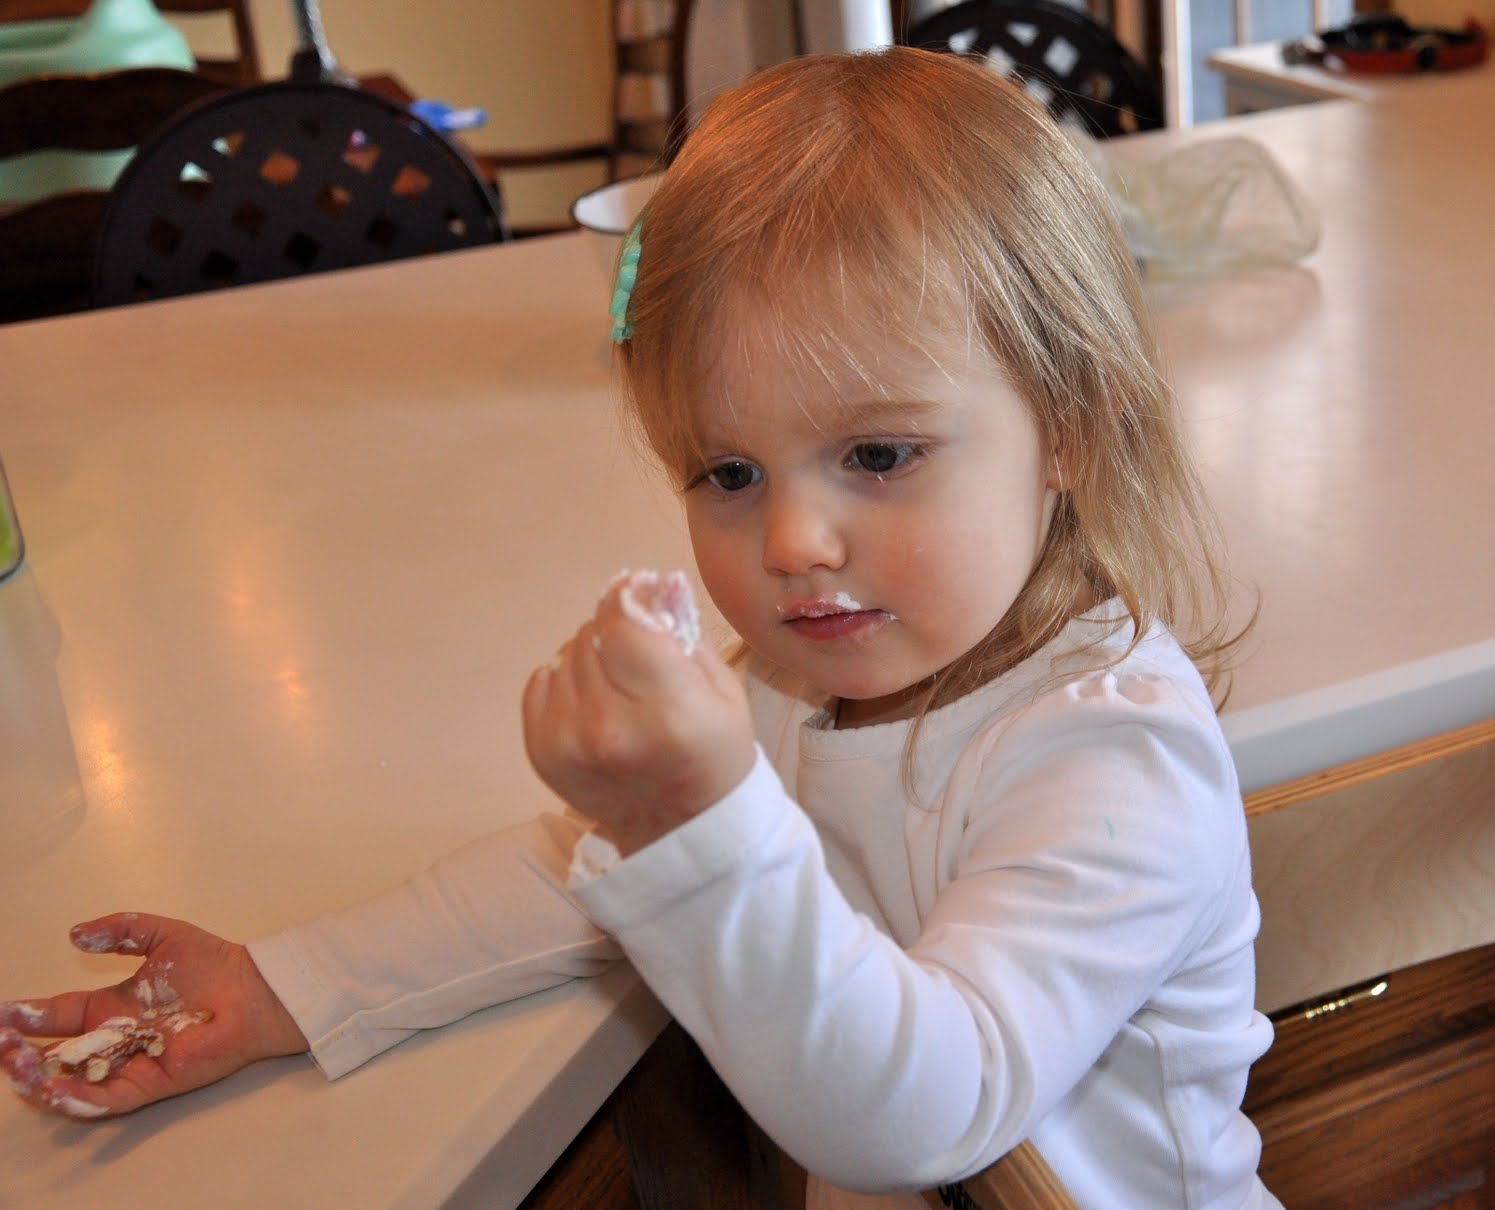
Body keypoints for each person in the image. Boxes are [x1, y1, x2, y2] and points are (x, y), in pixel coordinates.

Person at [0, 47, 1280, 1209]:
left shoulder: (1111, 764)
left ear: (1069, 424)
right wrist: (286, 983)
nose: (792, 542)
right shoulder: (791, 682)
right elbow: (574, 874)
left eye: (878, 453)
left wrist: (699, 828)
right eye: (729, 473)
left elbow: (924, 1116)